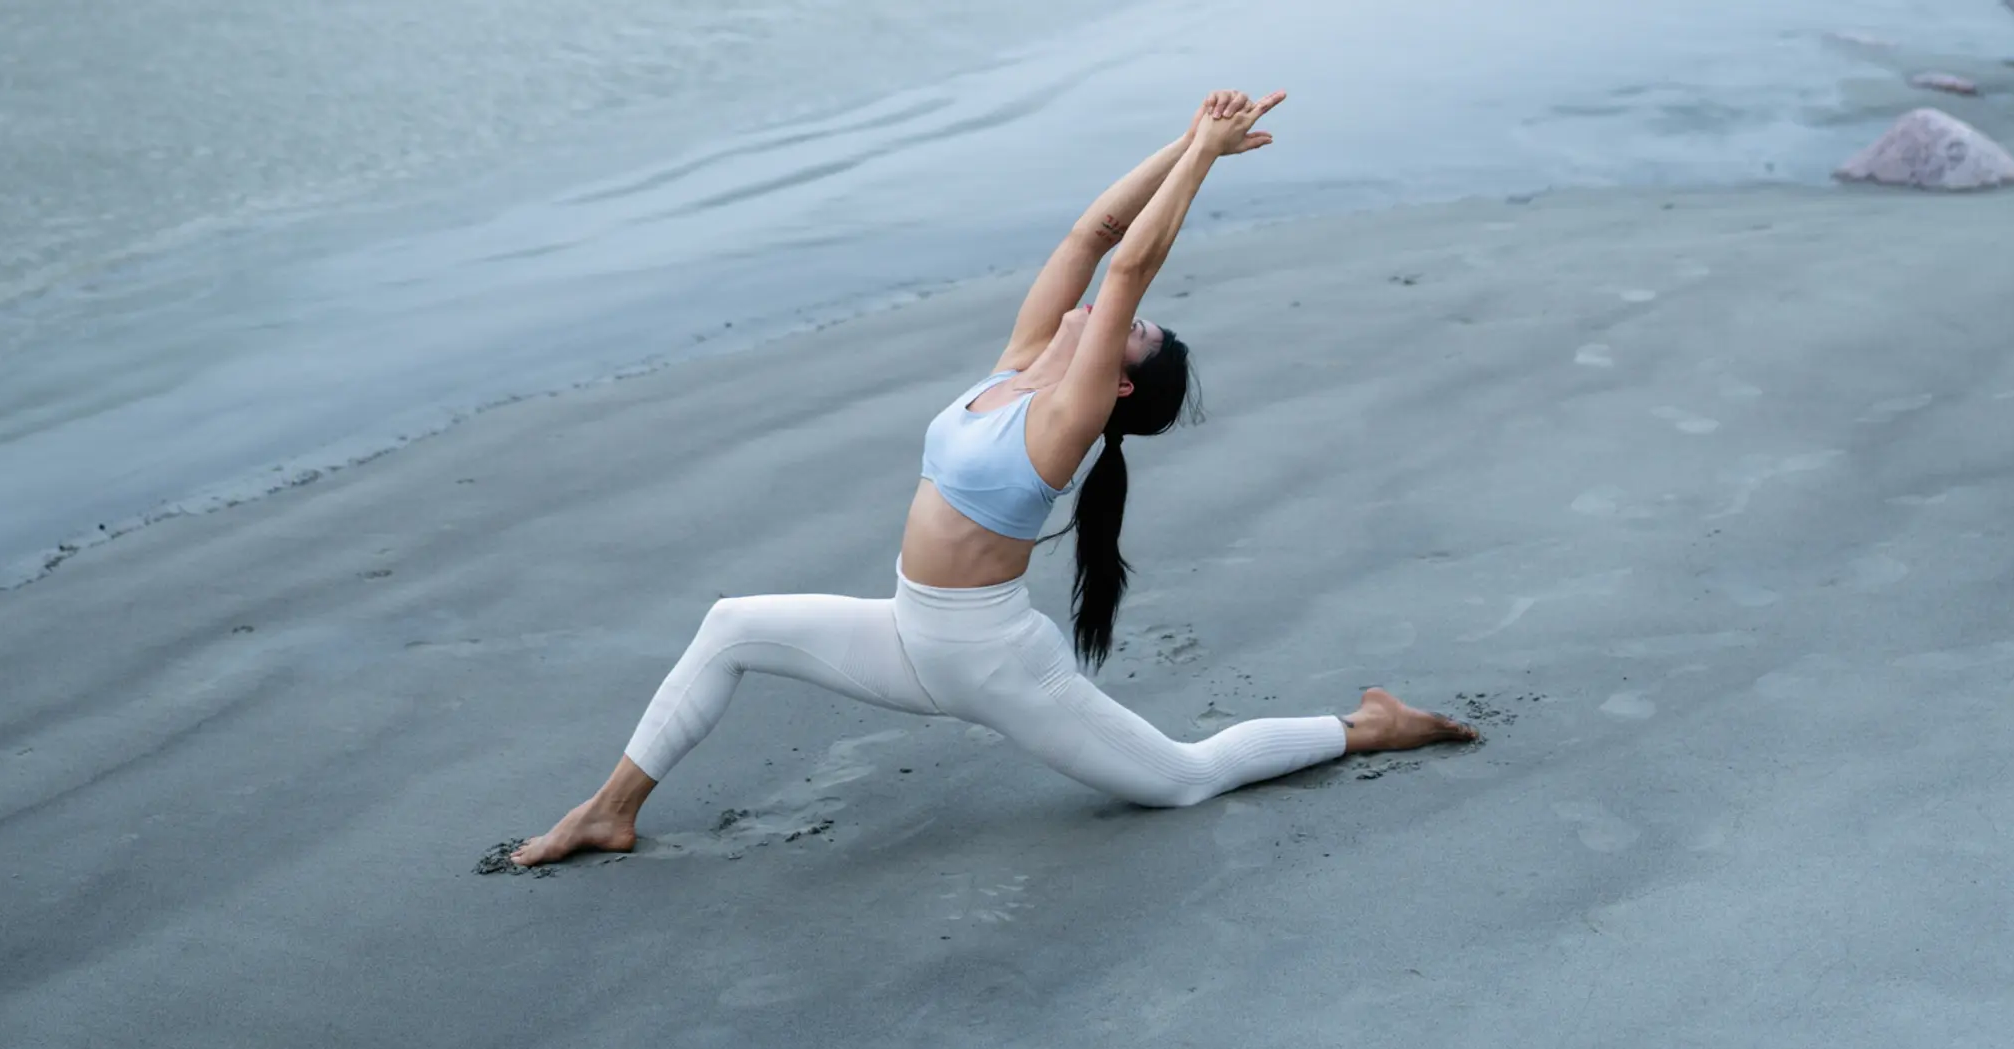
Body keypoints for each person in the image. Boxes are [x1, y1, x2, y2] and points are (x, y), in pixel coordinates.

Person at [498, 89, 1475, 870]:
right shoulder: (1020, 365)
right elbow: (1095, 236)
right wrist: (1182, 139)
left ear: (1120, 381)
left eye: (1128, 327)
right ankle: (608, 812)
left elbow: (1133, 264)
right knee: (730, 625)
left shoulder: (1066, 419)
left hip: (992, 658)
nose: (1106, 307)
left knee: (1178, 779)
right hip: (908, 628)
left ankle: (1362, 728)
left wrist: (1202, 165)